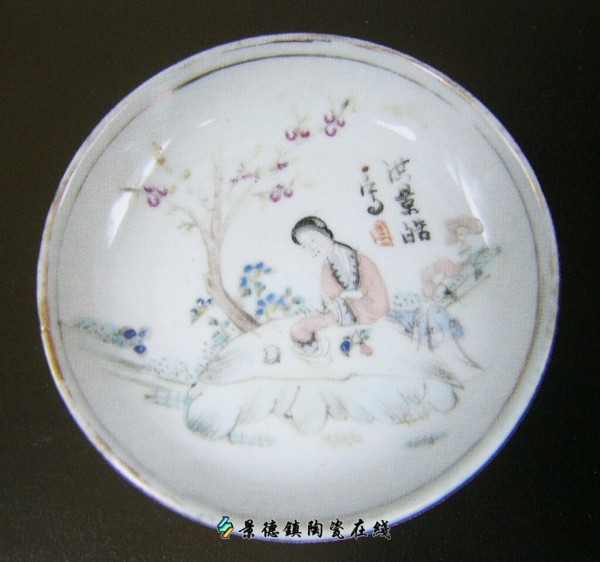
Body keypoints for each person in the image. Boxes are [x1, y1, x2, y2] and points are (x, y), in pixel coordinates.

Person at [290, 216, 389, 352]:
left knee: (300, 328)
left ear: (324, 232)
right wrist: (322, 303)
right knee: (299, 328)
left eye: (313, 239)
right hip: (347, 309)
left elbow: (370, 290)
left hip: (367, 308)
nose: (312, 248)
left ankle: (314, 348)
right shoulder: (327, 265)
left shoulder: (357, 257)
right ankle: (312, 347)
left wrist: (346, 297)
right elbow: (331, 295)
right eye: (305, 246)